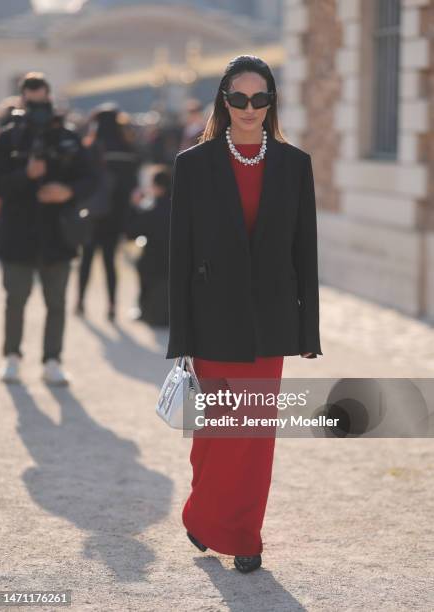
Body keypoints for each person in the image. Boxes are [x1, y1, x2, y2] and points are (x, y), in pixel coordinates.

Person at [166, 55, 322, 573]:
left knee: (253, 437)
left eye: (260, 99)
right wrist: (181, 335)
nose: (249, 109)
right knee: (217, 434)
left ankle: (244, 536)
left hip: (272, 320)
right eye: (239, 98)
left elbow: (306, 252)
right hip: (212, 320)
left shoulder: (295, 164)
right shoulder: (193, 164)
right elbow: (180, 255)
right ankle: (203, 515)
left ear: (271, 102)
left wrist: (308, 329)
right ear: (224, 101)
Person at [0, 72, 96, 385]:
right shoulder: (8, 137)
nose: (39, 110)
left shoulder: (66, 135)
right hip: (18, 232)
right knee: (16, 299)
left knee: (56, 302)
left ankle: (53, 359)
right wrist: (25, 175)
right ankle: (12, 356)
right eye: (32, 103)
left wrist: (68, 193)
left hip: (57, 232)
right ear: (23, 101)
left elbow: (89, 178)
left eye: (44, 102)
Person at [75, 104, 142, 321]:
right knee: (110, 261)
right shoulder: (128, 149)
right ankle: (112, 305)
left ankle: (80, 301)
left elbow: (81, 181)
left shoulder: (91, 148)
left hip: (93, 212)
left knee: (86, 259)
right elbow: (133, 185)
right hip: (116, 214)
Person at [127, 165, 171, 326]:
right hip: (175, 265)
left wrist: (134, 206)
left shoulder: (152, 210)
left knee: (143, 264)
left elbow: (131, 233)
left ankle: (143, 309)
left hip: (153, 265)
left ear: (157, 187)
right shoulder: (181, 208)